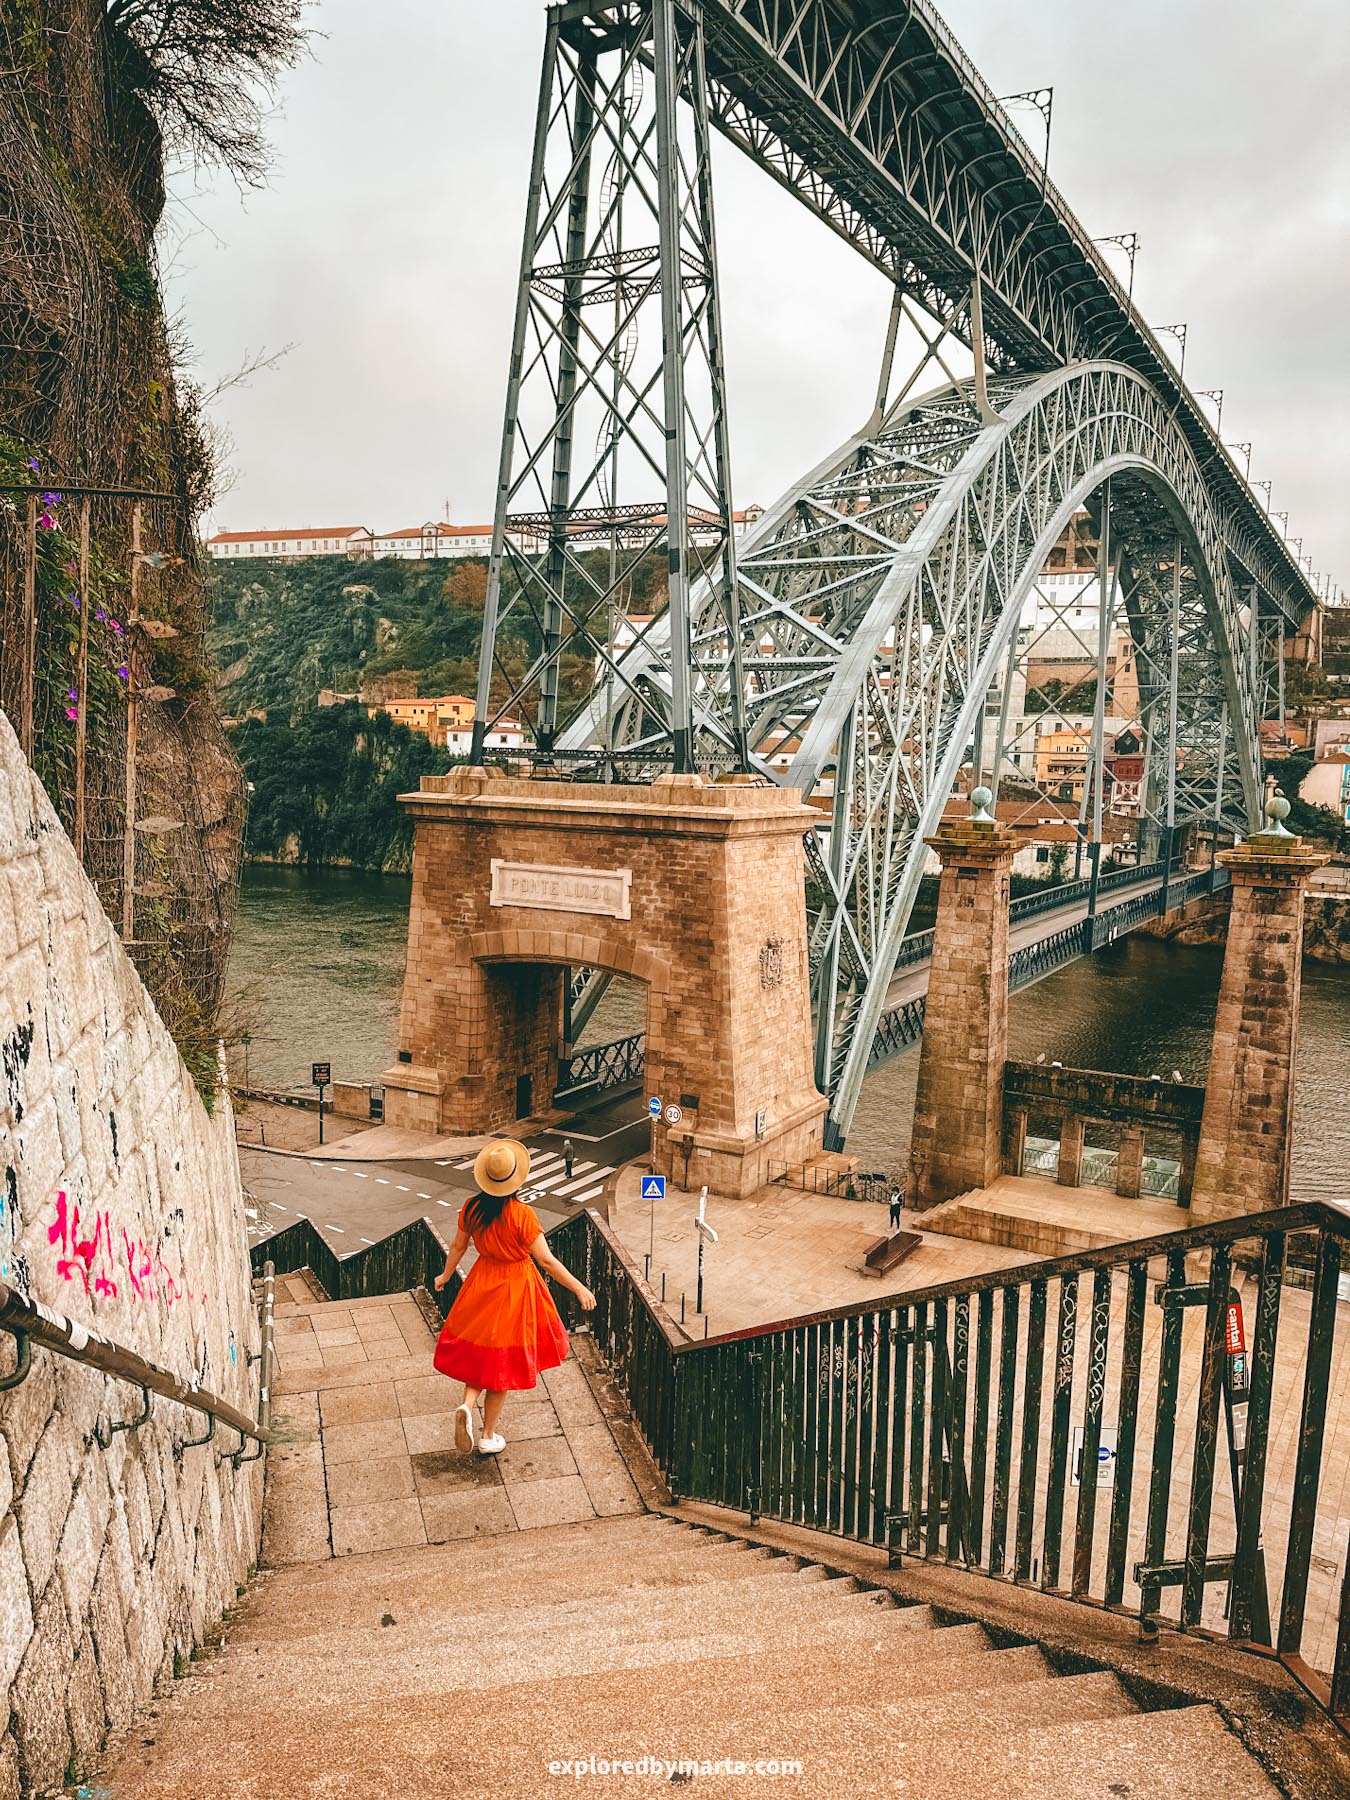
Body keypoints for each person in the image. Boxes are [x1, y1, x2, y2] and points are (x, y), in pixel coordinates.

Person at [432, 1138, 595, 1454]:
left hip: (481, 1282)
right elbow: (546, 1261)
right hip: (515, 1288)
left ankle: (467, 1404)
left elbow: (458, 1247)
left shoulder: (472, 1208)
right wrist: (578, 1287)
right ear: (514, 1178)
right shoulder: (523, 1215)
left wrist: (445, 1275)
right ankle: (488, 1435)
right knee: (500, 1364)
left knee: (481, 1355)